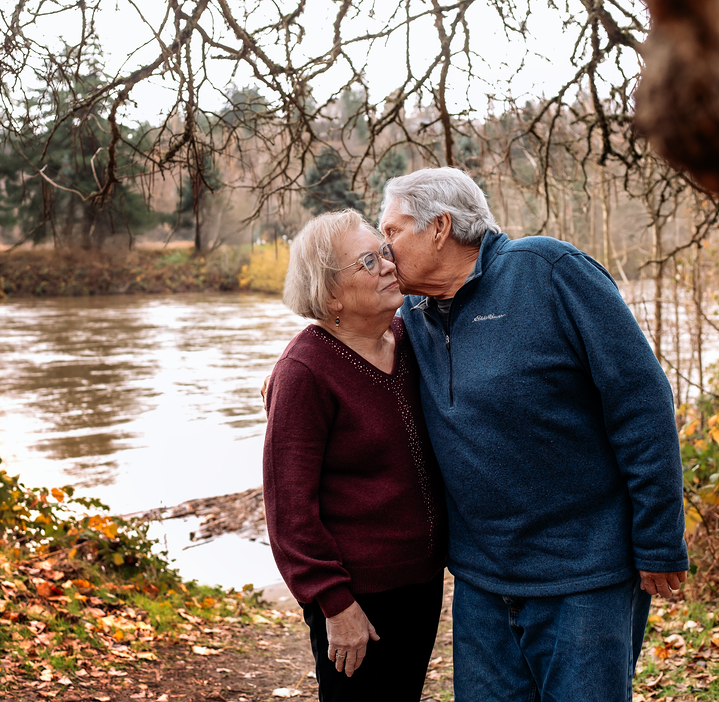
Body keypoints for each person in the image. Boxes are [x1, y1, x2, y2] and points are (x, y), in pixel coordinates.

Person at [378, 167, 690, 702]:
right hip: (482, 580)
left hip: (585, 574)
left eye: (390, 232)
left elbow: (641, 402)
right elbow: (347, 335)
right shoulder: (414, 312)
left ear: (439, 228)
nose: (383, 251)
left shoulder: (548, 271)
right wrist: (295, 368)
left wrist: (659, 540)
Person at [262, 209, 447, 702]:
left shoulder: (409, 340)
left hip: (422, 584)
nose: (389, 265)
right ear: (331, 294)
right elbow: (289, 510)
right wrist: (334, 603)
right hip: (356, 596)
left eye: (385, 252)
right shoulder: (303, 372)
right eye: (369, 260)